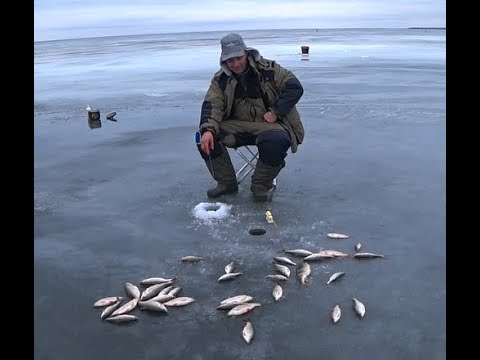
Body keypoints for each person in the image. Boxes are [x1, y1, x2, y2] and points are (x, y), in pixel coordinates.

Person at [197, 33, 304, 202]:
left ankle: (261, 185)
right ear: (224, 61)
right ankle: (227, 182)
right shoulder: (220, 80)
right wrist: (207, 130)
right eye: (230, 61)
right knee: (202, 137)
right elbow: (212, 105)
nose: (236, 64)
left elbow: (294, 87)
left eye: (239, 58)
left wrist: (276, 112)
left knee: (278, 140)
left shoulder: (270, 69)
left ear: (246, 54)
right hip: (237, 127)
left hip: (269, 126)